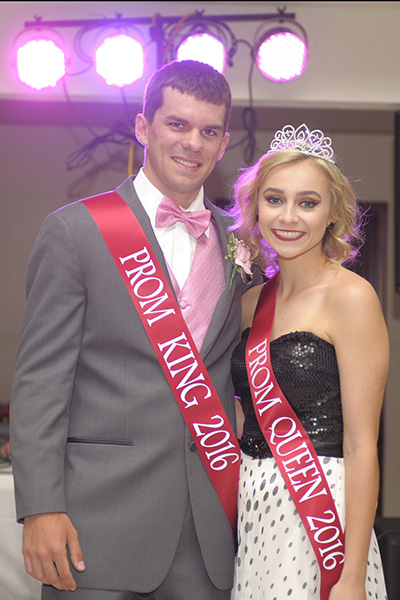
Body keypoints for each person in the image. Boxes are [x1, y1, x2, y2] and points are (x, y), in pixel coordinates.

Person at [10, 60, 260, 600]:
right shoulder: (76, 230)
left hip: (207, 527)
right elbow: (39, 381)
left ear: (223, 144)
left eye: (209, 131)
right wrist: (40, 507)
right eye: (177, 125)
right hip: (96, 521)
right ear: (144, 128)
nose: (193, 143)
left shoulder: (242, 242)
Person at [228, 124, 389, 599]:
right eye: (275, 199)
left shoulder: (353, 298)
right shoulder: (249, 302)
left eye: (308, 202)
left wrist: (352, 576)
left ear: (332, 214)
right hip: (253, 510)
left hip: (321, 515)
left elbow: (363, 447)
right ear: (255, 207)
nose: (288, 217)